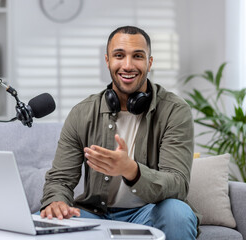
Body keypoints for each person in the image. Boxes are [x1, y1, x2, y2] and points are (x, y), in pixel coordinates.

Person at [40, 26, 199, 239]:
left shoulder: (175, 111)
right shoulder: (82, 112)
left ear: (149, 63)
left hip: (149, 211)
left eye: (138, 56)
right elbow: (60, 179)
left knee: (177, 213)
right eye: (119, 55)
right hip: (95, 213)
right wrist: (56, 202)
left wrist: (132, 170)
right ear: (107, 61)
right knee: (40, 221)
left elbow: (177, 184)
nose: (127, 65)